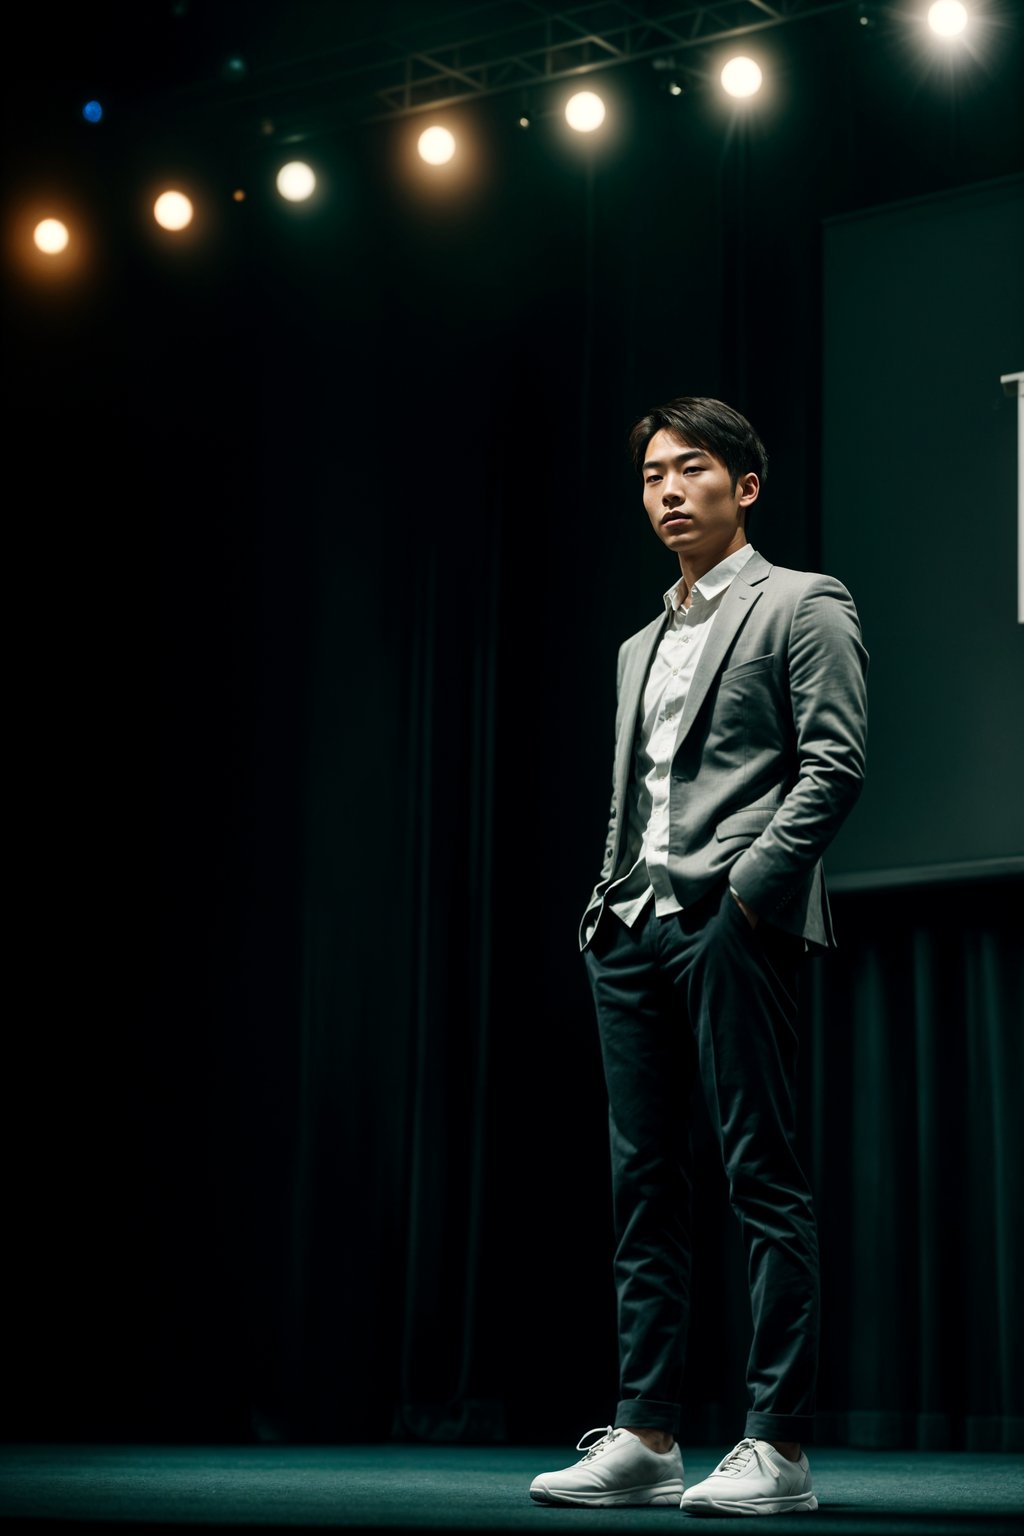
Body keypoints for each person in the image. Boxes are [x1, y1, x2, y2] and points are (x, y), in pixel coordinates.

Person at [529, 396, 868, 1516]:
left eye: (692, 470)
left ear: (746, 487)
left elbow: (833, 765)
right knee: (643, 1186)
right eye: (651, 477)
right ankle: (648, 1432)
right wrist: (603, 900)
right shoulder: (640, 641)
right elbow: (639, 792)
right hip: (628, 930)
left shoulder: (800, 601)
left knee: (760, 1176)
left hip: (732, 920)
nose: (668, 491)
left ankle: (777, 1446)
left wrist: (746, 897)